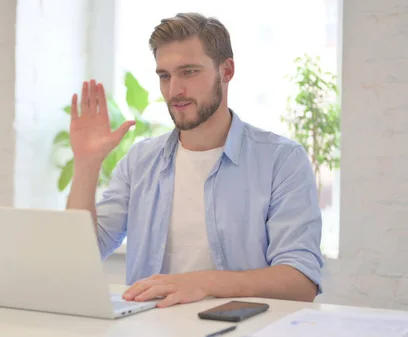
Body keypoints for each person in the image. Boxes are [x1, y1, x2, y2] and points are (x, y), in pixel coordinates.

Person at [66, 12, 324, 309]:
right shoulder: (140, 161)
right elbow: (78, 258)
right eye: (165, 75)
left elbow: (301, 281)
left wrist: (201, 283)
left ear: (226, 71)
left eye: (189, 72)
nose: (174, 90)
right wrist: (87, 163)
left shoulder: (281, 160)